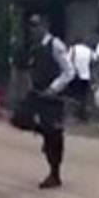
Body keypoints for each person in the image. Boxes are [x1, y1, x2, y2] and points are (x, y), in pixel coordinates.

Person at [23, 15, 74, 189]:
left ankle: (55, 174)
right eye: (31, 26)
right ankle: (44, 135)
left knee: (54, 136)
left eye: (36, 26)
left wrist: (53, 88)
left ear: (45, 26)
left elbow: (69, 71)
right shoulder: (36, 47)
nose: (33, 29)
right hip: (38, 94)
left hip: (52, 97)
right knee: (20, 118)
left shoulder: (55, 45)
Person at [66, 37, 94, 122]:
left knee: (74, 96)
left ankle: (74, 115)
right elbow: (95, 59)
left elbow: (67, 61)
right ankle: (84, 115)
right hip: (86, 77)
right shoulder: (89, 50)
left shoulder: (73, 49)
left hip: (75, 76)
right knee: (84, 97)